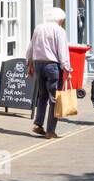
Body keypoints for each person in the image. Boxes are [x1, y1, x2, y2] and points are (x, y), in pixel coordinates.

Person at [25, 7, 72, 138]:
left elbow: (31, 46)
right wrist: (67, 69)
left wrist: (29, 63)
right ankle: (51, 131)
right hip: (53, 66)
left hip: (38, 65)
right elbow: (63, 52)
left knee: (42, 96)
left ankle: (38, 124)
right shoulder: (60, 31)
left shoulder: (39, 28)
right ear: (60, 19)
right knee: (54, 99)